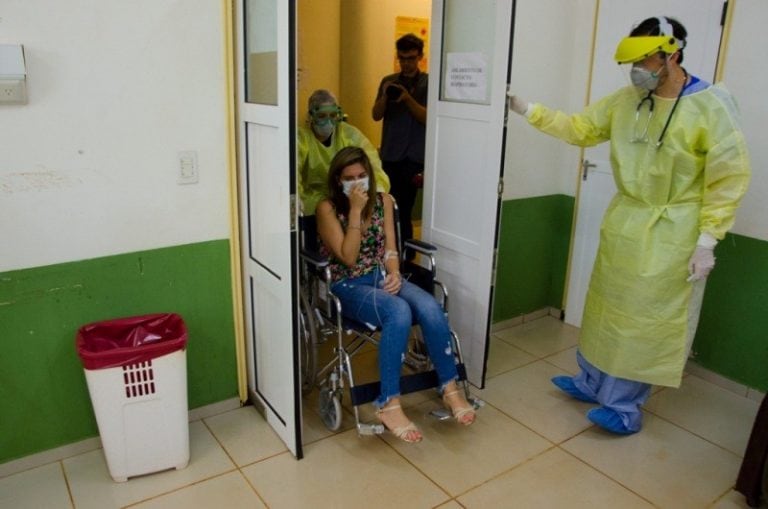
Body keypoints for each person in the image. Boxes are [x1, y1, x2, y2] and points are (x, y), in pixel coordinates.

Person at [509, 16, 751, 435]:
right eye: (633, 62)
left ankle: (623, 407)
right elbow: (581, 128)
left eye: (645, 60)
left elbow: (728, 176)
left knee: (643, 320)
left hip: (673, 229)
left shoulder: (712, 106)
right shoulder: (626, 100)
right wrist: (527, 108)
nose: (637, 70)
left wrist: (708, 239)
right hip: (627, 220)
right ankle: (591, 382)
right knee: (607, 308)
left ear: (671, 54)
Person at [316, 146, 475, 443]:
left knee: (429, 306)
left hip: (380, 276)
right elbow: (349, 258)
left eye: (362, 175)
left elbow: (391, 246)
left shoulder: (384, 201)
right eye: (349, 177)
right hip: (347, 284)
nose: (357, 182)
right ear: (339, 180)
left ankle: (449, 387)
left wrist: (395, 273)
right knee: (398, 311)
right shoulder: (327, 208)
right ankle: (388, 403)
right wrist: (353, 210)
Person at [372, 33, 428, 252]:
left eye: (411, 58)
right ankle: (389, 250)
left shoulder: (428, 83)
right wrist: (386, 96)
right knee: (387, 206)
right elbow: (375, 115)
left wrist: (407, 99)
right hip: (390, 155)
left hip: (413, 158)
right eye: (402, 58)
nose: (406, 63)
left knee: (404, 209)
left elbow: (427, 118)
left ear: (420, 57)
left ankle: (405, 254)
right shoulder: (388, 81)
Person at [298, 89, 390, 216]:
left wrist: (378, 188)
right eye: (322, 116)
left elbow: (372, 161)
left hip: (346, 201)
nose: (328, 122)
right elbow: (292, 170)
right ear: (311, 116)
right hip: (312, 206)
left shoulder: (348, 134)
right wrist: (295, 197)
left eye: (333, 115)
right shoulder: (301, 138)